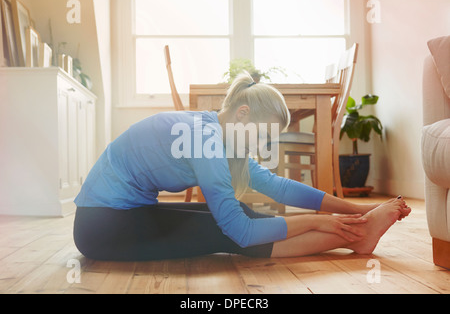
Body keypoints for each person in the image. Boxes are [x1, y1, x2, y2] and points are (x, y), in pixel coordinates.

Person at [73, 72, 411, 261]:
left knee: (238, 212)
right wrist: (318, 219)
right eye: (262, 135)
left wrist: (358, 208)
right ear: (243, 114)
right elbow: (241, 232)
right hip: (101, 229)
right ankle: (355, 239)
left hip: (128, 214)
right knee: (229, 230)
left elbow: (278, 187)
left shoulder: (217, 134)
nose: (261, 146)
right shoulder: (203, 141)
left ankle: (359, 231)